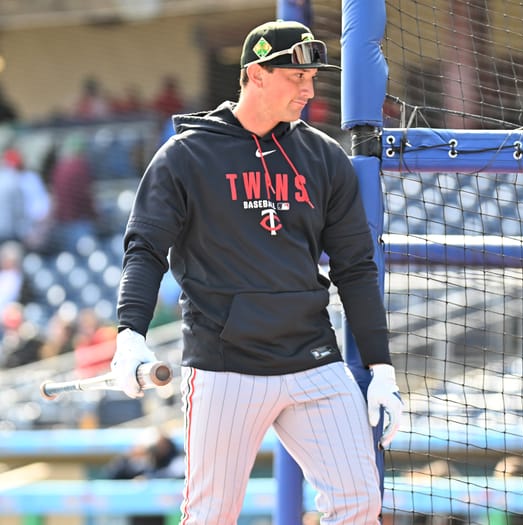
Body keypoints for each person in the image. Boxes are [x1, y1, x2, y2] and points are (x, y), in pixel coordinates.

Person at [109, 19, 403, 524]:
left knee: (361, 503)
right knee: (211, 516)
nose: (309, 90)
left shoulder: (324, 156)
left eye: (313, 78)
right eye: (297, 77)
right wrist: (129, 334)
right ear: (256, 75)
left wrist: (381, 368)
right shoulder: (185, 155)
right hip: (226, 365)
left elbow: (355, 267)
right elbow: (145, 248)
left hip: (312, 359)